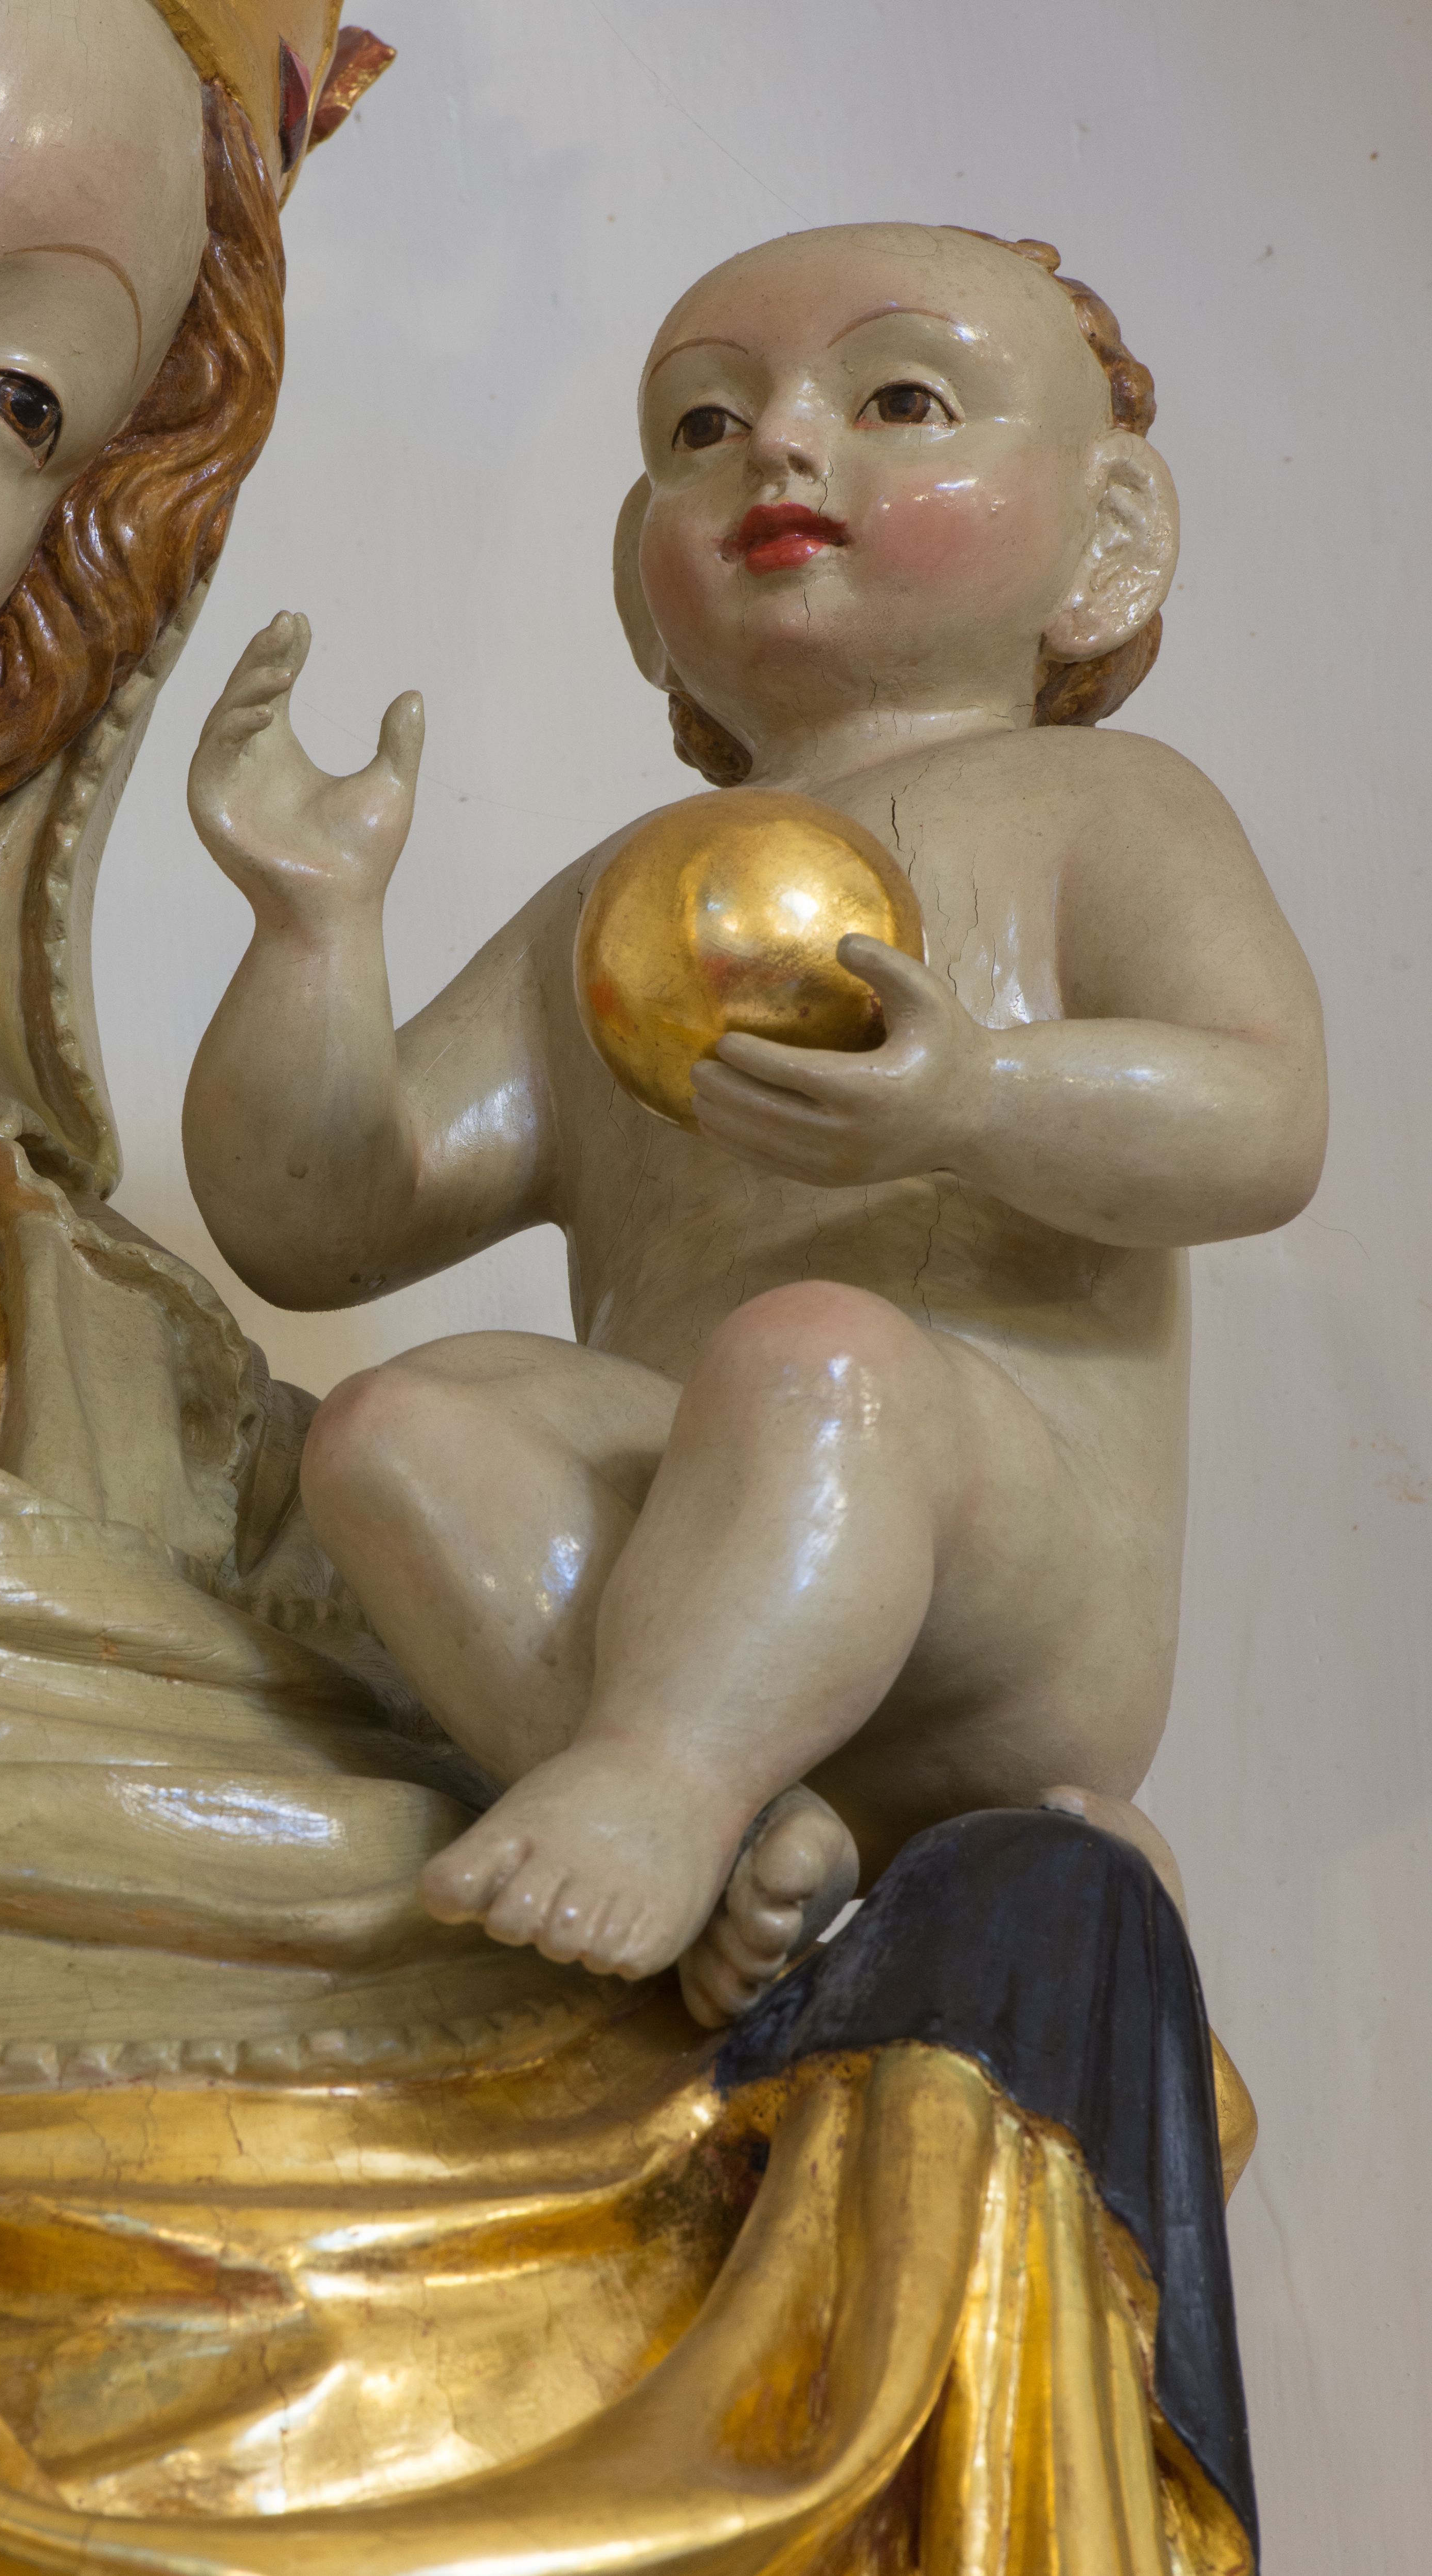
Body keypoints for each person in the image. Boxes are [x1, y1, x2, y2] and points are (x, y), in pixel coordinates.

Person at [183, 223, 1327, 2024]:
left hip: (1000, 1572)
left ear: (1106, 537)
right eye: (704, 427)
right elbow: (324, 1218)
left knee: (814, 1356)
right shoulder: (615, 904)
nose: (782, 445)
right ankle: (751, 1832)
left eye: (899, 399)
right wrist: (312, 931)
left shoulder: (1100, 806)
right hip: (687, 1541)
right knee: (394, 1430)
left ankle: (661, 1781)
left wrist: (974, 1096)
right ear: (644, 592)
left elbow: (1265, 1114)